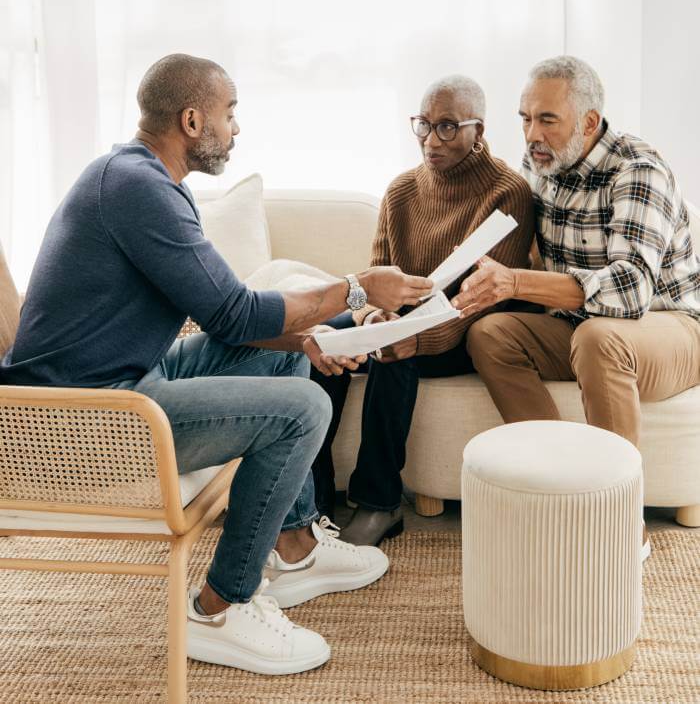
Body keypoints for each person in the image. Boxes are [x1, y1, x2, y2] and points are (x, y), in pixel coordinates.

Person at [0, 53, 434, 675]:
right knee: (304, 409)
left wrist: (304, 338)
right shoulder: (139, 191)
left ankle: (296, 546)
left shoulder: (137, 178)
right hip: (85, 419)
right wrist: (358, 288)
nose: (236, 129)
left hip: (128, 379)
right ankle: (218, 607)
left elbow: (222, 313)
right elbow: (233, 313)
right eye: (230, 114)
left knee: (292, 367)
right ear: (192, 119)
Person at [456, 56, 700, 554]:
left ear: (589, 122)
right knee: (491, 334)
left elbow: (631, 290)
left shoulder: (638, 170)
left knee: (599, 336)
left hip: (672, 326)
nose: (531, 133)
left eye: (547, 119)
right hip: (585, 325)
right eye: (524, 117)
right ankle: (558, 488)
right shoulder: (541, 161)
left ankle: (620, 524)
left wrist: (516, 283)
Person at [311, 75, 535, 546]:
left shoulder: (508, 192)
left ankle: (379, 503)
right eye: (424, 125)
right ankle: (313, 494)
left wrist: (415, 336)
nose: (432, 140)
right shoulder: (401, 191)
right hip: (398, 318)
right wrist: (370, 316)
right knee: (321, 342)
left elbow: (483, 300)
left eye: (449, 127)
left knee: (396, 355)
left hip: (460, 328)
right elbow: (377, 274)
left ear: (479, 129)